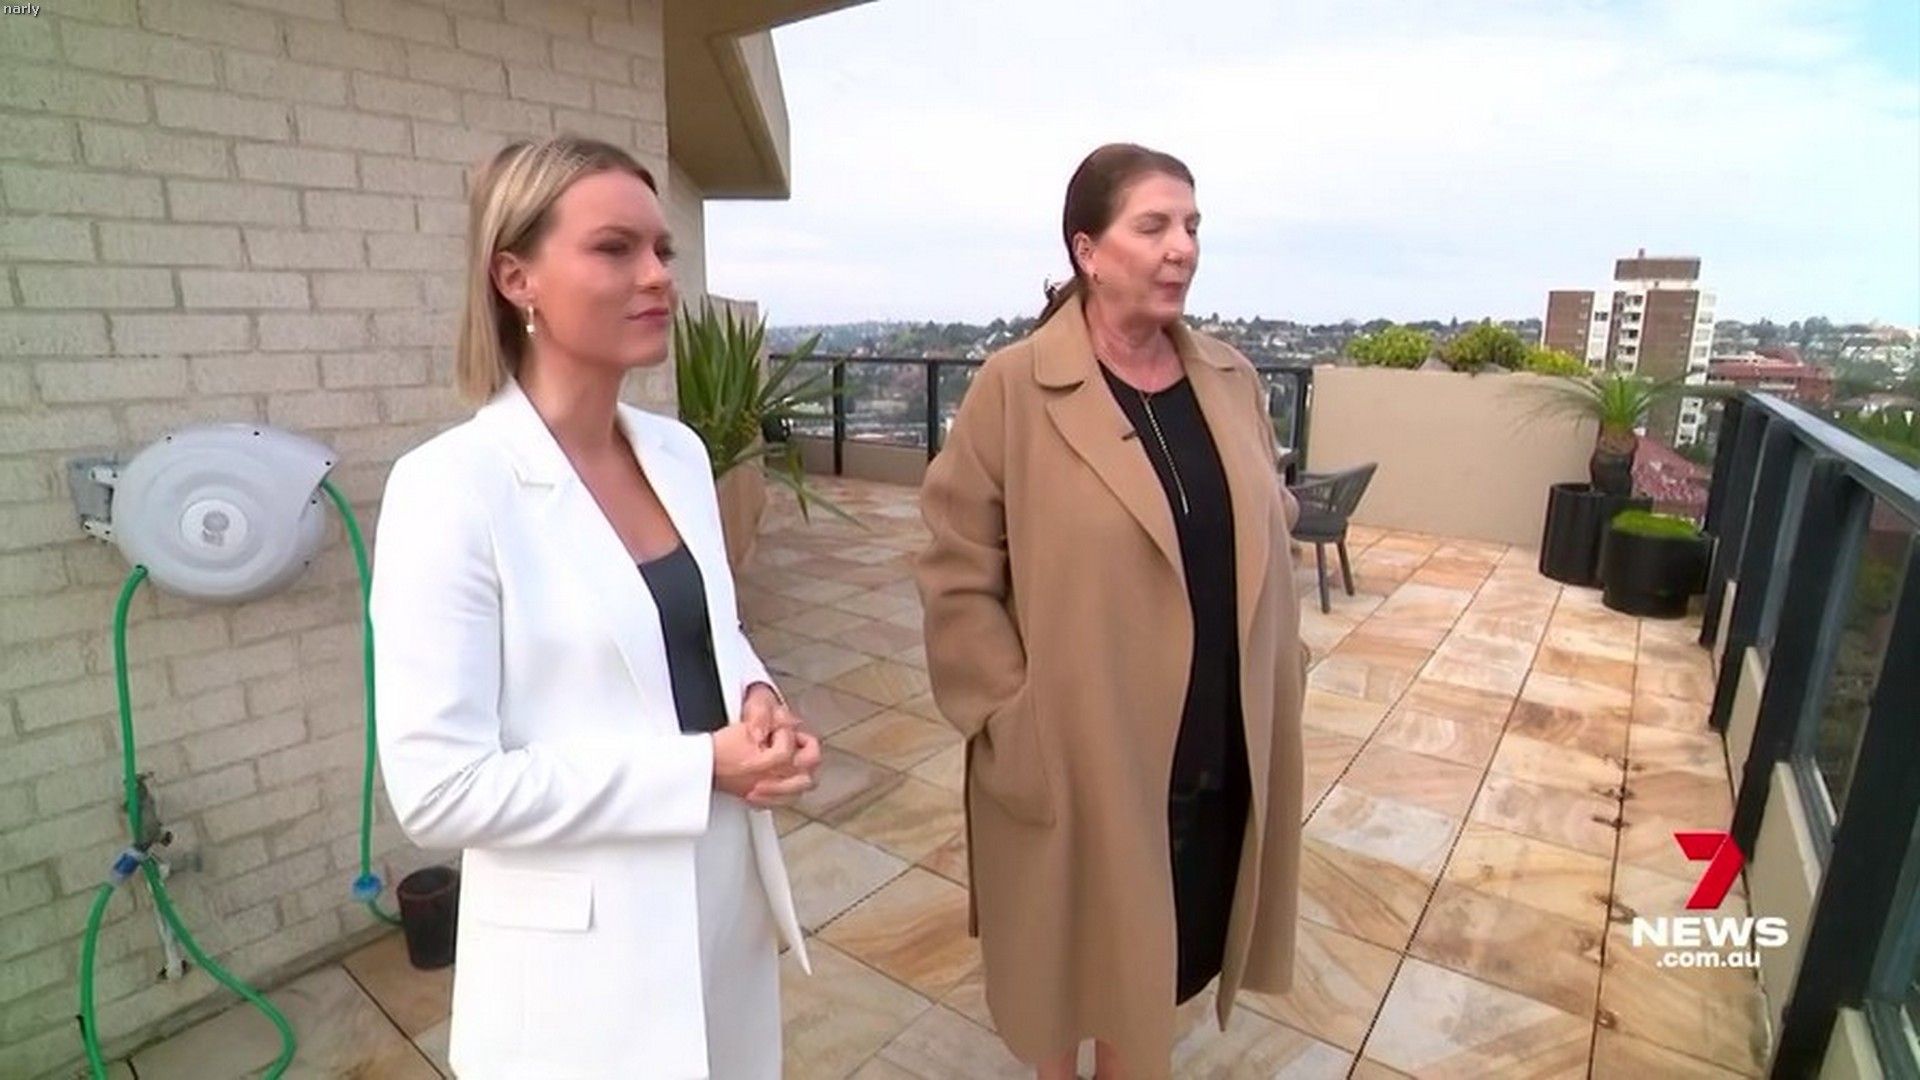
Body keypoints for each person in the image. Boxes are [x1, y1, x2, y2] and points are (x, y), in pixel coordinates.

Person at [369, 135, 820, 1080]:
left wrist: (757, 700)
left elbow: (708, 631)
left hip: (721, 909)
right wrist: (702, 766)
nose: (657, 275)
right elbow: (440, 790)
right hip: (581, 974)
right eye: (615, 249)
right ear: (515, 278)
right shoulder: (451, 488)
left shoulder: (677, 453)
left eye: (663, 250)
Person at [916, 143, 1309, 1080]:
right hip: (1079, 757)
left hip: (1213, 746)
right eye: (1155, 225)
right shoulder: (1013, 386)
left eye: (1193, 226)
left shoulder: (1233, 380)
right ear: (1088, 251)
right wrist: (1011, 719)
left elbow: (1271, 517)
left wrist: (1280, 660)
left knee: (1151, 988)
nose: (1183, 247)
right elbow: (955, 567)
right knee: (1066, 975)